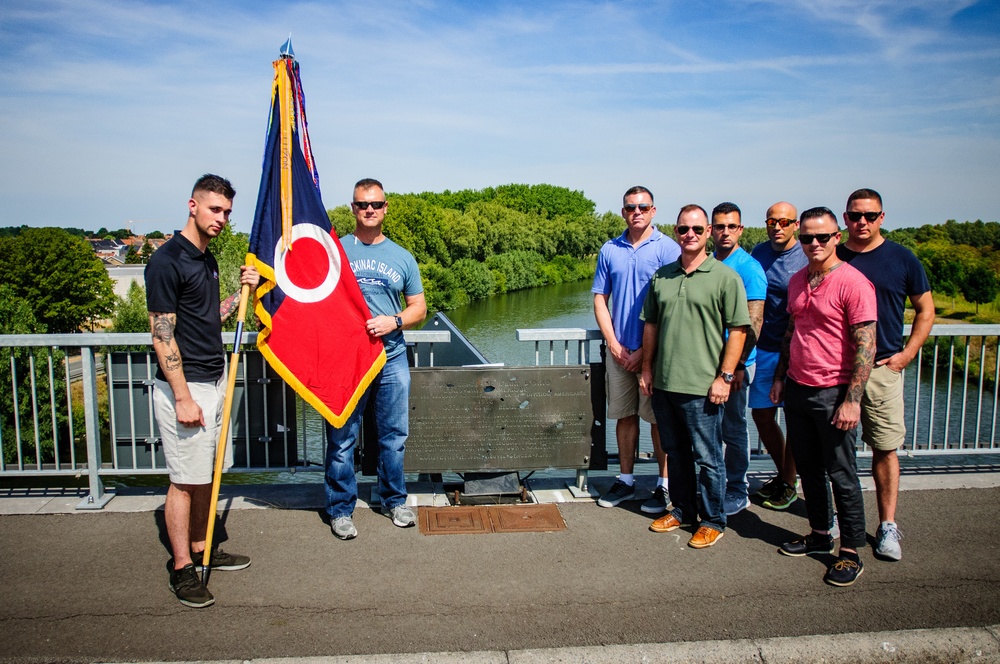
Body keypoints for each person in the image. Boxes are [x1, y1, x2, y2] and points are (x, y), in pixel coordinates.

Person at [146, 174, 260, 609]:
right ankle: (182, 568)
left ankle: (203, 545)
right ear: (192, 205)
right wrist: (182, 396)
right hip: (187, 387)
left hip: (214, 383)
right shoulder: (167, 261)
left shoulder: (206, 259)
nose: (222, 218)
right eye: (215, 209)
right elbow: (162, 333)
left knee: (206, 477)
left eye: (228, 212)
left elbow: (206, 316)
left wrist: (240, 293)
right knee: (183, 482)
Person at [770, 207, 876, 587]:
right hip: (798, 387)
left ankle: (849, 551)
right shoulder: (799, 280)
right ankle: (818, 534)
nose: (814, 244)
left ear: (836, 238)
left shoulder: (854, 283)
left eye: (822, 237)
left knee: (841, 473)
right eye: (807, 238)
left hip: (834, 392)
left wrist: (852, 400)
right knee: (810, 469)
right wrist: (782, 377)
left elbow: (867, 344)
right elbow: (791, 333)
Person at [640, 204, 749, 549]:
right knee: (676, 451)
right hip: (665, 383)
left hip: (703, 386)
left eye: (698, 230)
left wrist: (725, 377)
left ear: (708, 234)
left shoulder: (725, 277)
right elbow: (652, 325)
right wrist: (647, 369)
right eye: (684, 229)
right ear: (676, 232)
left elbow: (739, 331)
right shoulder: (663, 276)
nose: (690, 235)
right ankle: (684, 509)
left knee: (708, 457)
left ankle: (713, 519)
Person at [325, 178, 427, 541]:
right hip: (347, 361)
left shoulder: (402, 257)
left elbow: (419, 307)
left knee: (393, 437)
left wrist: (393, 321)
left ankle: (394, 500)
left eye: (375, 204)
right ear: (353, 209)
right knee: (342, 438)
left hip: (392, 358)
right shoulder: (334, 251)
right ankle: (340, 508)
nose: (369, 210)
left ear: (385, 208)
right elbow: (310, 295)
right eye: (361, 204)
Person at [837, 188, 934, 562]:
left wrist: (907, 354)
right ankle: (840, 518)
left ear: (882, 217)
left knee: (884, 448)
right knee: (836, 451)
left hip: (881, 370)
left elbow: (926, 309)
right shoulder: (832, 255)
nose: (862, 222)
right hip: (837, 369)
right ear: (845, 219)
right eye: (855, 215)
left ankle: (887, 524)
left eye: (870, 215)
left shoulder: (902, 258)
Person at [593, 186, 680, 513]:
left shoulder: (667, 250)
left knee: (658, 420)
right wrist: (613, 344)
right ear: (623, 212)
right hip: (619, 352)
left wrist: (645, 351)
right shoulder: (610, 250)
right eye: (631, 207)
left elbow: (672, 306)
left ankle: (665, 486)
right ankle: (626, 480)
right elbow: (600, 298)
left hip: (654, 354)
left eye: (643, 206)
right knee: (625, 416)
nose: (637, 212)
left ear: (654, 211)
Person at [749, 202, 808, 510]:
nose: (778, 226)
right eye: (773, 221)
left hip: (796, 351)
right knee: (762, 414)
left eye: (785, 221)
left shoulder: (805, 255)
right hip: (763, 347)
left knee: (796, 419)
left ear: (795, 225)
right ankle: (786, 474)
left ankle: (789, 480)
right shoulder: (759, 253)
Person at [710, 203, 766, 516]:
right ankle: (716, 484)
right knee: (712, 428)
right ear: (711, 230)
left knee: (733, 428)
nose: (725, 232)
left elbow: (753, 322)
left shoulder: (748, 268)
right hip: (710, 364)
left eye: (731, 226)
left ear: (740, 230)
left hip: (737, 367)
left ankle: (737, 489)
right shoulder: (709, 263)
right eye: (720, 226)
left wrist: (737, 367)